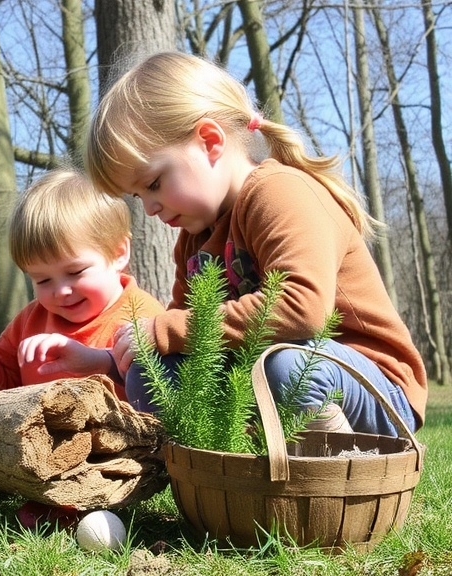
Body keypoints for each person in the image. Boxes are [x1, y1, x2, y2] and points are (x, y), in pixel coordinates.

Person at [84, 51, 426, 436]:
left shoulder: (279, 191)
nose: (148, 208)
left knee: (287, 368)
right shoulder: (194, 241)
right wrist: (111, 358)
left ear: (209, 141)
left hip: (370, 391)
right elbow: (181, 338)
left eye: (153, 184)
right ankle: (220, 472)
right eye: (136, 197)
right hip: (263, 382)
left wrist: (166, 329)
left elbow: (302, 308)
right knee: (155, 373)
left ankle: (334, 477)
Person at [0, 168, 164, 400]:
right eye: (43, 280)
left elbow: (161, 393)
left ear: (118, 253)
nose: (61, 291)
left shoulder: (143, 318)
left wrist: (100, 361)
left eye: (75, 271)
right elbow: (3, 387)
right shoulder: (31, 320)